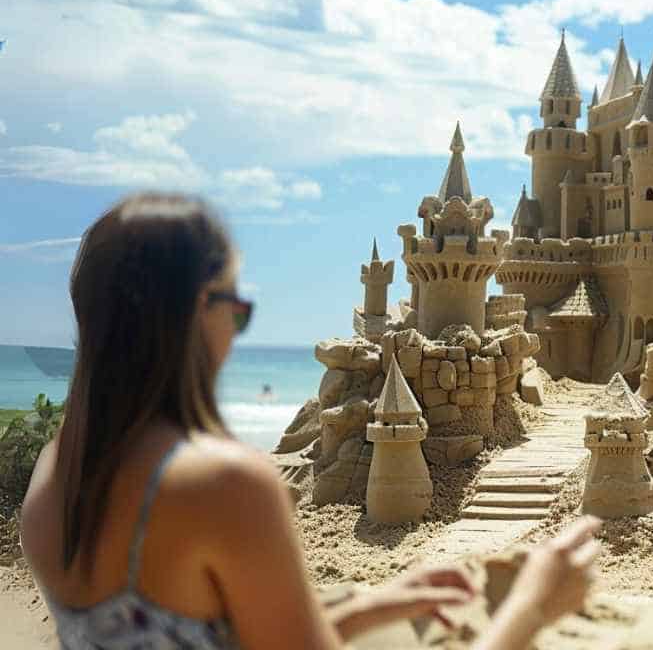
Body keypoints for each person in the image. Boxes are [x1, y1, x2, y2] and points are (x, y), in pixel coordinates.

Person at [20, 192, 602, 649]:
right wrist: (535, 605)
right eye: (237, 308)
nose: (236, 329)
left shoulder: (56, 476)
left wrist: (370, 606)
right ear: (198, 312)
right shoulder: (225, 487)